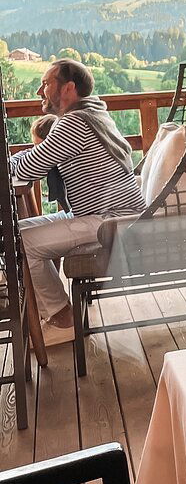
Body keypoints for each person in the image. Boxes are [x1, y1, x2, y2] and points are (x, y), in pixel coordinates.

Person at [12, 59, 145, 345]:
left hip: (112, 219)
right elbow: (38, 155)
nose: (40, 90)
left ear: (68, 88)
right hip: (101, 214)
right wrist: (11, 162)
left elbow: (30, 167)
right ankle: (58, 313)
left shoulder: (75, 122)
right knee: (19, 232)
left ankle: (62, 321)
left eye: (46, 83)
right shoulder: (91, 113)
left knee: (21, 241)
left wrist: (7, 164)